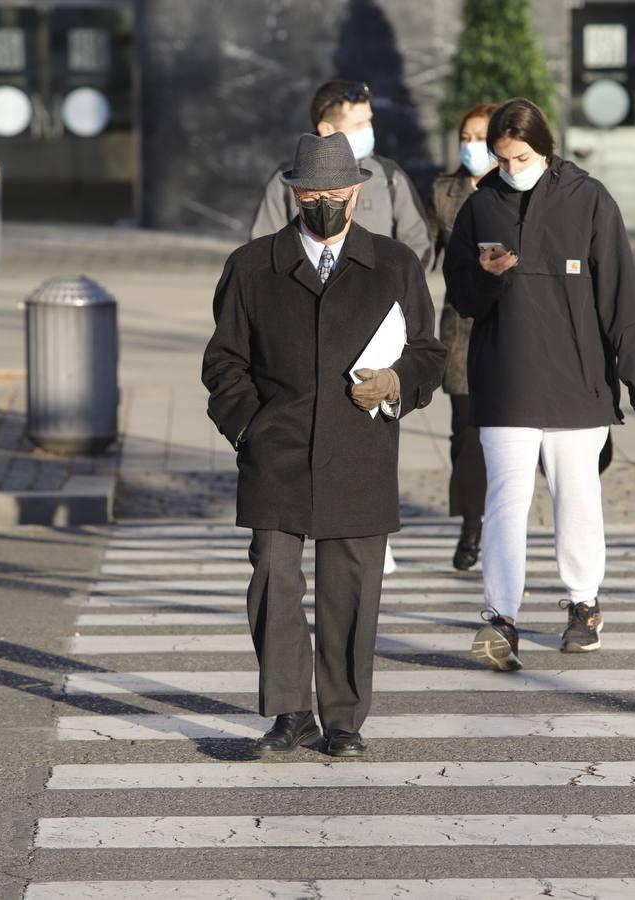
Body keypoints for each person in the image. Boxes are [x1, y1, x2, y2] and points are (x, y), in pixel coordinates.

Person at [204, 132, 446, 757]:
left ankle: (343, 720)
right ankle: (289, 714)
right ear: (293, 193)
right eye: (312, 193)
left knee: (352, 589)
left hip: (360, 449)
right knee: (273, 576)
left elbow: (428, 353)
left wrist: (397, 383)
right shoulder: (251, 265)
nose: (324, 203)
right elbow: (223, 362)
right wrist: (248, 427)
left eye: (336, 193)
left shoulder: (394, 263)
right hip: (276, 450)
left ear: (357, 192)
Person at [443, 98, 635, 671]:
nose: (508, 167)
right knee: (505, 505)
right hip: (505, 383)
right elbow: (461, 295)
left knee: (578, 501)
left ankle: (583, 603)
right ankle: (499, 618)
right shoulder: (480, 205)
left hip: (577, 384)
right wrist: (489, 280)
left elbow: (622, 304)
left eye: (518, 156)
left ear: (544, 148)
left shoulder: (589, 200)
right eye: (499, 157)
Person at [251, 80, 434, 268]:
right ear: (327, 129)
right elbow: (262, 249)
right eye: (358, 124)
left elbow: (420, 246)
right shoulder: (287, 179)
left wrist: (390, 285)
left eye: (369, 121)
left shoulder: (390, 177)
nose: (368, 130)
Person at [432, 103, 497, 570]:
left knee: (503, 436)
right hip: (460, 332)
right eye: (466, 137)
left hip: (510, 331)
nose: (471, 145)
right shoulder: (444, 191)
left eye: (481, 137)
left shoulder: (519, 189)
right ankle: (471, 524)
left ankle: (496, 523)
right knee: (464, 437)